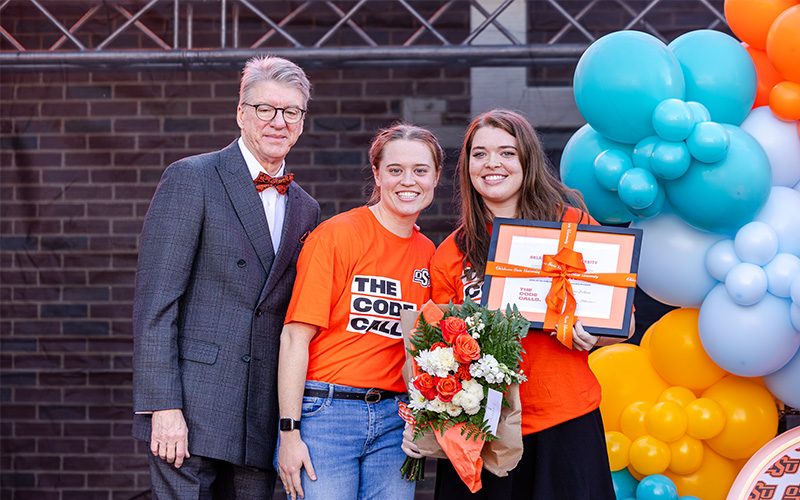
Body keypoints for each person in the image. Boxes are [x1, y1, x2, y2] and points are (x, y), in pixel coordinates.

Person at [410, 109, 633, 500]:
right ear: (467, 167)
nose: (492, 163)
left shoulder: (573, 226)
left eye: (507, 152)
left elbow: (624, 323)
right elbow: (436, 351)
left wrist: (594, 336)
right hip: (483, 432)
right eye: (479, 154)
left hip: (566, 421)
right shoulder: (451, 253)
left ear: (526, 161)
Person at [132, 54, 320, 499]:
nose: (279, 121)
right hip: (191, 411)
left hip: (260, 413)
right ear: (240, 113)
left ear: (302, 121)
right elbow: (155, 305)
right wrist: (163, 405)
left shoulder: (306, 207)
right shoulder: (192, 178)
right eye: (265, 109)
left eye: (291, 111)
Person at [275, 123, 444, 500]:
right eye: (395, 170)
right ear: (377, 175)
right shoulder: (338, 235)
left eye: (420, 170)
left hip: (394, 421)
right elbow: (293, 337)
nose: (408, 181)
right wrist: (289, 434)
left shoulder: (430, 255)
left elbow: (422, 353)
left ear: (435, 177)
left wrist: (423, 420)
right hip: (326, 414)